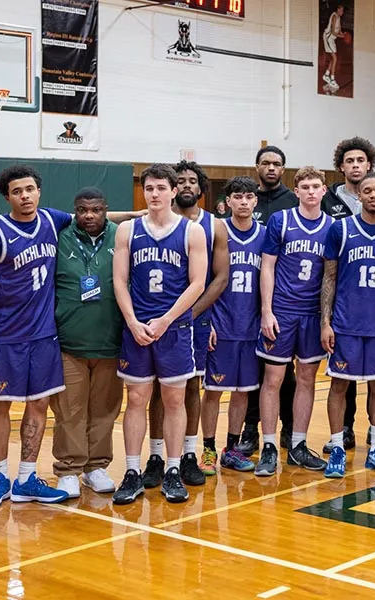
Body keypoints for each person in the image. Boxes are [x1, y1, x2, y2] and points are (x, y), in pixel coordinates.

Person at [0, 165, 73, 508]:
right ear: (8, 196)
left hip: (43, 336)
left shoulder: (53, 221)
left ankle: (27, 478)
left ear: (39, 191)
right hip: (4, 336)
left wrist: (142, 213)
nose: (24, 196)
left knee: (39, 404)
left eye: (29, 189)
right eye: (17, 191)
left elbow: (91, 215)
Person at [112, 164, 207, 505]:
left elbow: (198, 283)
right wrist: (133, 321)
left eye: (160, 188)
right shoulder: (127, 230)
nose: (154, 194)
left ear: (171, 191)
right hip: (137, 329)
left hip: (174, 329)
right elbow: (119, 281)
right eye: (149, 188)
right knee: (136, 400)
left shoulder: (192, 232)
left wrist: (166, 320)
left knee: (174, 401)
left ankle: (172, 469)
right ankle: (133, 471)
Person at [145, 160, 228, 489]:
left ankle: (189, 454)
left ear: (200, 187)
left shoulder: (214, 226)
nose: (188, 185)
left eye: (194, 180)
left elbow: (220, 278)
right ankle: (155, 456)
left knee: (191, 387)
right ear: (173, 188)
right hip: (157, 317)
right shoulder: (152, 221)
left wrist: (190, 315)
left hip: (194, 317)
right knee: (156, 389)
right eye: (182, 180)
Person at [321, 172, 375, 478]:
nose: (372, 195)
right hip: (345, 324)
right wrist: (325, 322)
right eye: (367, 191)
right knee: (339, 385)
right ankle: (337, 449)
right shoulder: (340, 229)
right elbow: (329, 277)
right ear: (359, 196)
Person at [254, 167, 333, 476]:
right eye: (305, 186)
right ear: (296, 191)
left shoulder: (332, 227)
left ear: (324, 191)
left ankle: (298, 444)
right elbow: (268, 268)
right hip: (283, 311)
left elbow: (331, 276)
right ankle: (270, 446)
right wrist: (266, 311)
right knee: (273, 380)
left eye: (316, 186)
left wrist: (327, 320)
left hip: (312, 315)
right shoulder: (281, 221)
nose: (311, 191)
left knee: (307, 379)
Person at [49, 188, 125, 499]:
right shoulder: (60, 235)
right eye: (82, 210)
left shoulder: (122, 236)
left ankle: (96, 467)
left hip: (111, 340)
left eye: (95, 209)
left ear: (106, 209)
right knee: (69, 410)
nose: (89, 216)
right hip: (69, 342)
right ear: (74, 211)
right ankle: (68, 469)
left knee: (104, 409)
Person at [200, 176, 265, 473]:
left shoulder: (265, 235)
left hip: (251, 326)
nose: (243, 202)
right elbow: (203, 279)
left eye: (248, 196)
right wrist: (207, 320)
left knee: (243, 390)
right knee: (213, 390)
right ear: (227, 202)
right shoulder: (216, 232)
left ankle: (232, 447)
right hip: (221, 324)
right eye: (237, 196)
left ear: (255, 201)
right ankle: (209, 449)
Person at [238, 145, 300, 457]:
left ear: (283, 169)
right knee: (253, 369)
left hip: (283, 301)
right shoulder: (247, 198)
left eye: (277, 163)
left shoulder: (293, 201)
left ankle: (288, 426)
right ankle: (250, 428)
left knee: (283, 371)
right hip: (247, 300)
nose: (271, 168)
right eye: (266, 163)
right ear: (257, 166)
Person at [321, 3, 345, 94]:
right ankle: (332, 79)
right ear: (338, 10)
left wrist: (342, 33)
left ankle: (326, 75)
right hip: (328, 37)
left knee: (333, 58)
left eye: (343, 11)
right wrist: (341, 36)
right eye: (341, 10)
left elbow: (339, 29)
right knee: (335, 58)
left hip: (332, 38)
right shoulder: (334, 17)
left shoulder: (339, 17)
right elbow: (334, 33)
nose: (342, 12)